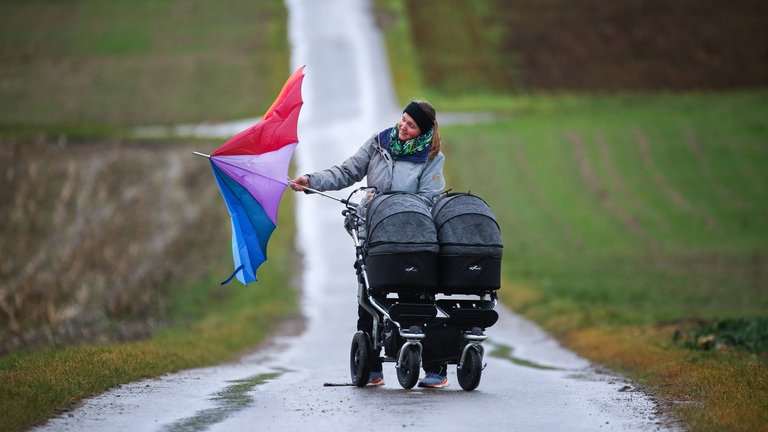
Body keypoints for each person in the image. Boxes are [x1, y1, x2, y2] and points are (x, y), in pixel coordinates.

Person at [290, 100, 449, 388]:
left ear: (423, 132)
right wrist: (311, 181)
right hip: (374, 232)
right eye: (403, 120)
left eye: (411, 126)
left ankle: (435, 367)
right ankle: (372, 367)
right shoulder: (379, 143)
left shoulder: (431, 157)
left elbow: (430, 198)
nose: (403, 127)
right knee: (370, 294)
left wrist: (392, 204)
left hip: (412, 234)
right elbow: (347, 171)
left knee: (419, 294)